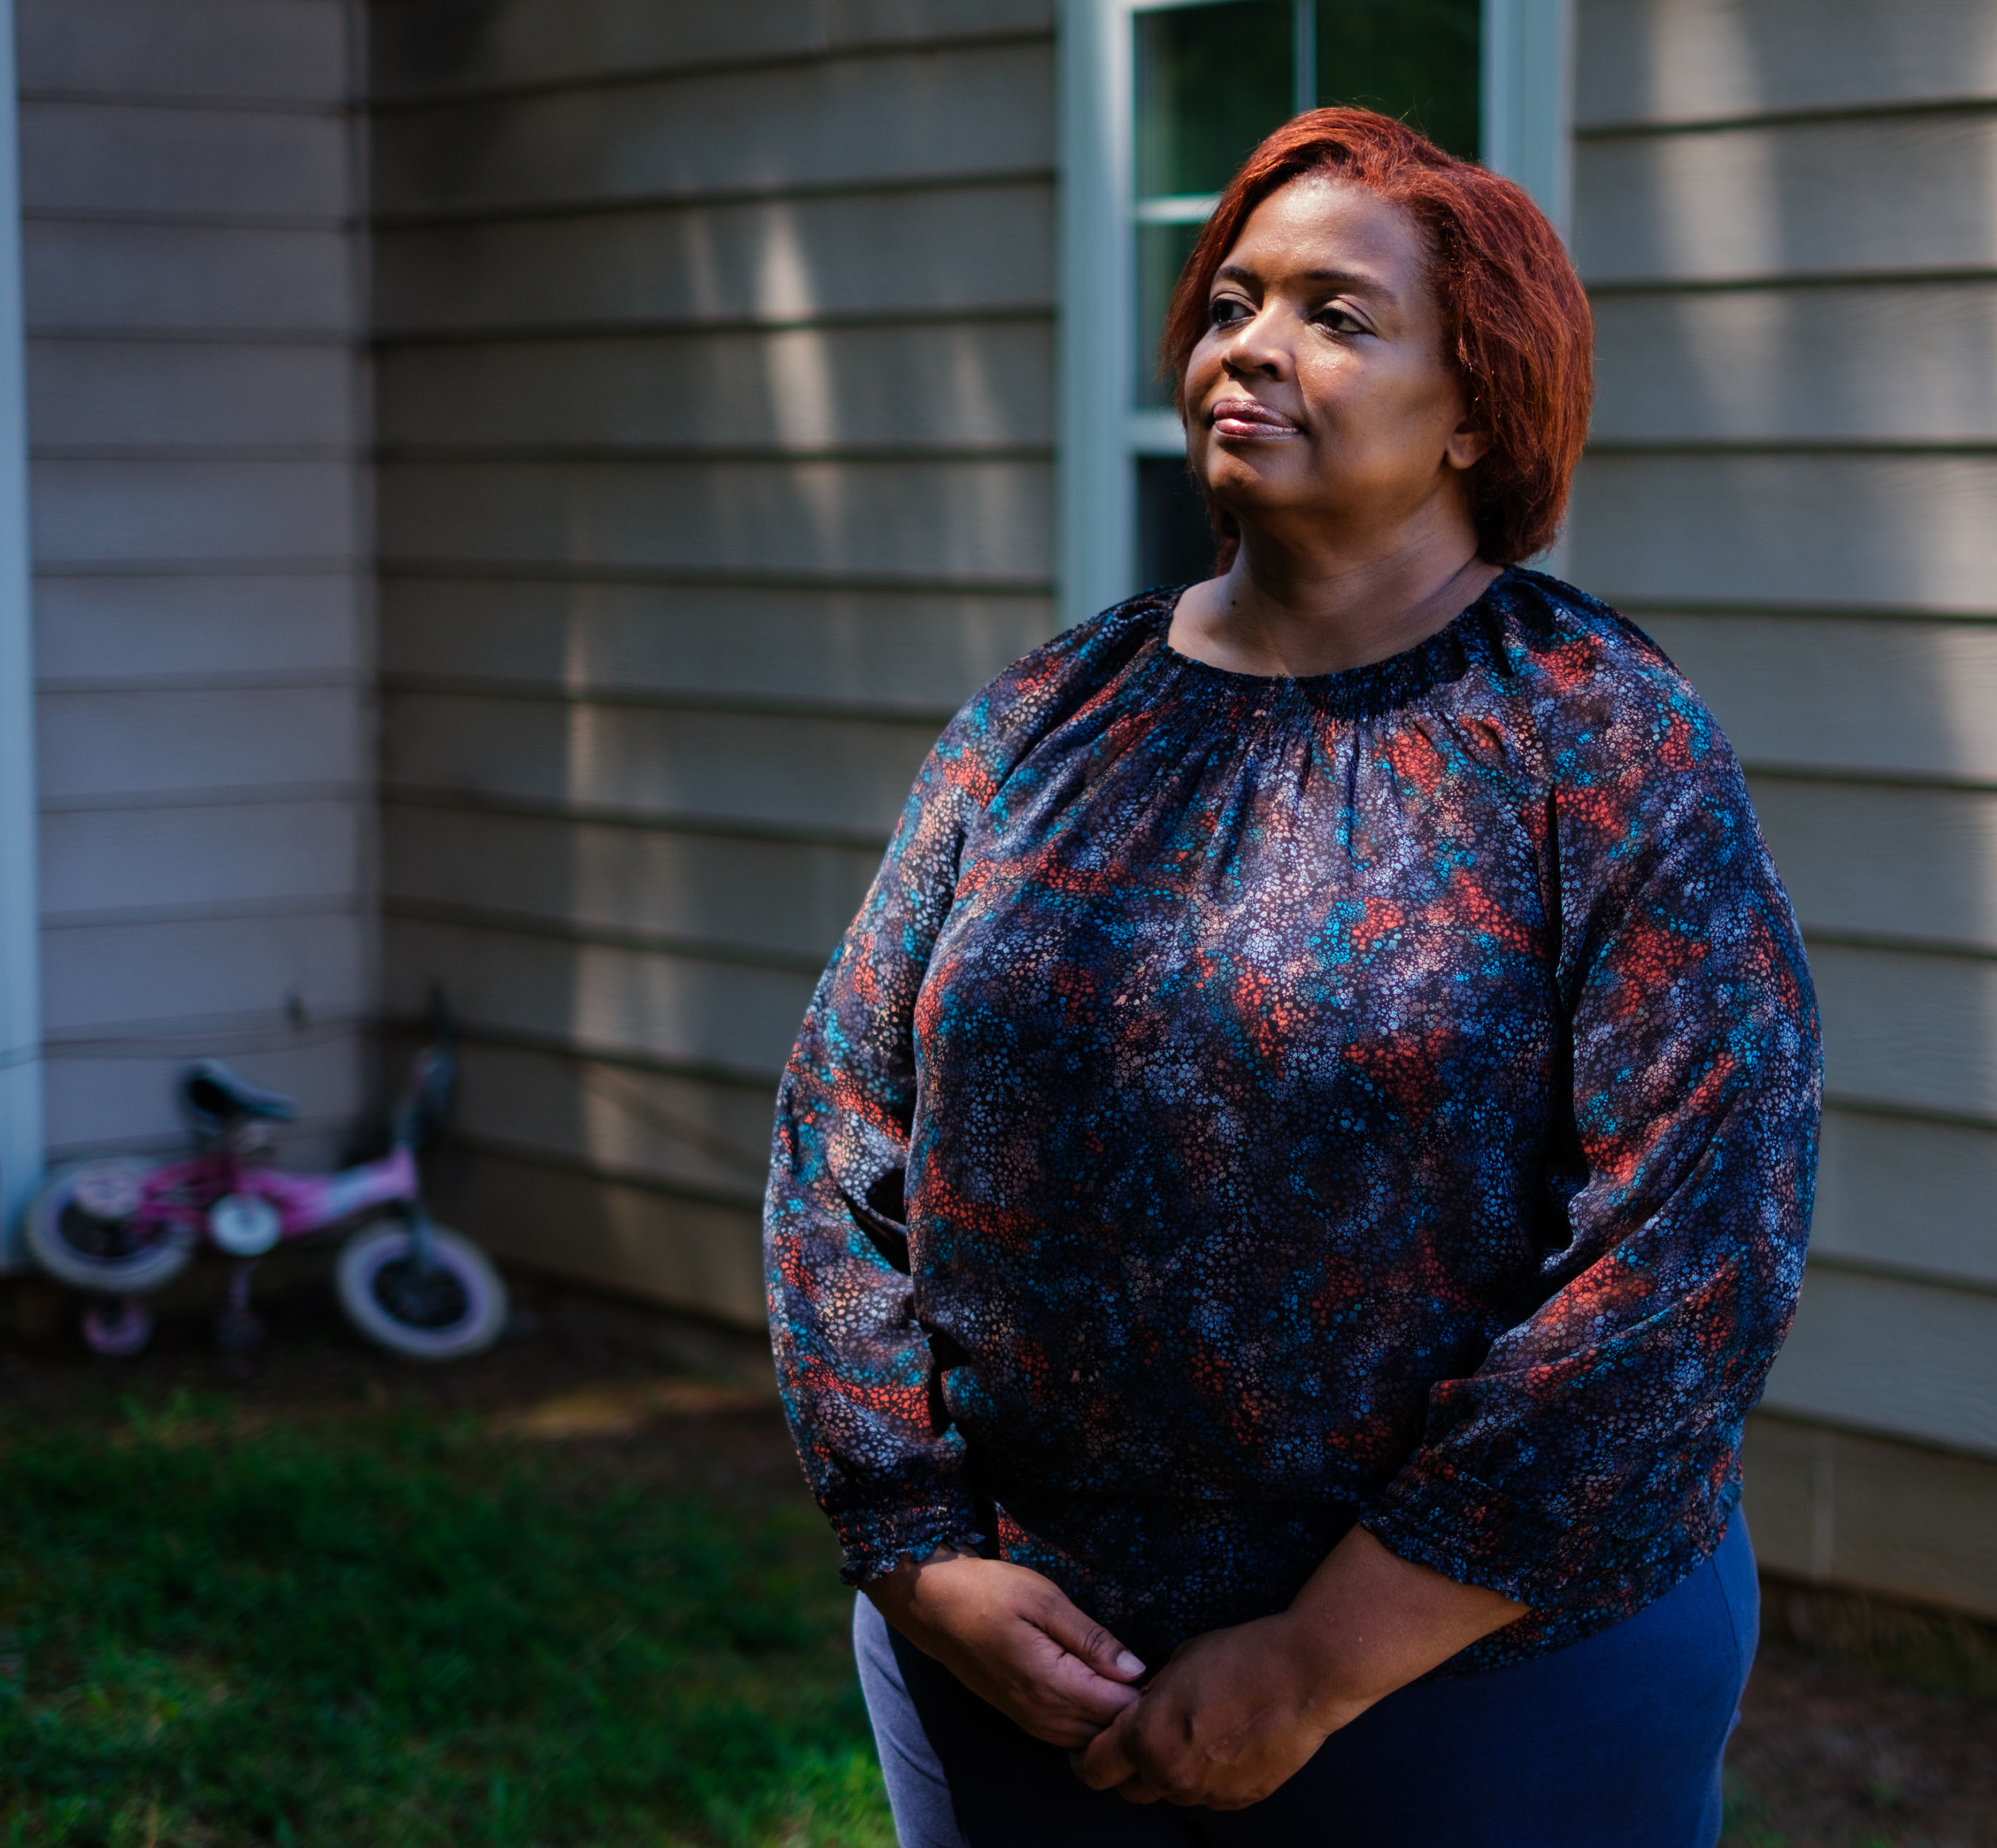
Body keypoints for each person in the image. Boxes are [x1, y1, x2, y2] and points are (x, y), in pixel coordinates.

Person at [764, 107, 1819, 1848]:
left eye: (1338, 314)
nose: (1249, 345)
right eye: (1235, 299)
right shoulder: (1040, 718)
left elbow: (1697, 1246)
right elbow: (837, 1138)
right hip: (1024, 1672)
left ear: (1478, 403)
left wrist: (1326, 1656)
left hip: (1475, 1696)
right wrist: (920, 1545)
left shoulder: (1599, 740)